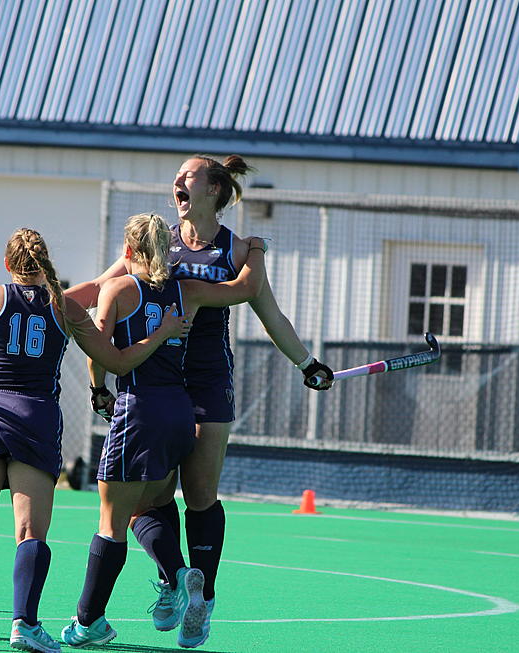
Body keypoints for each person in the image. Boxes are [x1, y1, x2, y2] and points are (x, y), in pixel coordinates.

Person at [65, 155, 334, 645]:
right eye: (177, 178)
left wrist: (306, 363)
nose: (177, 183)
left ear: (215, 190)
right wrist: (42, 294)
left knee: (201, 494)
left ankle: (201, 599)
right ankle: (177, 581)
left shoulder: (235, 250)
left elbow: (266, 310)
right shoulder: (157, 242)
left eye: (188, 176)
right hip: (160, 383)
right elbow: (99, 286)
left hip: (207, 381)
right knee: (152, 498)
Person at [0, 228, 188, 651]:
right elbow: (116, 361)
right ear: (47, 262)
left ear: (8, 265)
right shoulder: (66, 307)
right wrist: (160, 333)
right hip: (36, 420)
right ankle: (24, 625)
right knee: (30, 533)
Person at [61, 213, 266, 649]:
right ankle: (183, 577)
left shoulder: (117, 290)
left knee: (111, 521)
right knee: (152, 503)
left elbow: (103, 355)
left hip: (138, 409)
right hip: (180, 409)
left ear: (130, 251)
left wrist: (98, 390)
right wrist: (258, 250)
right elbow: (242, 289)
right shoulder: (186, 290)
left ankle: (89, 620)